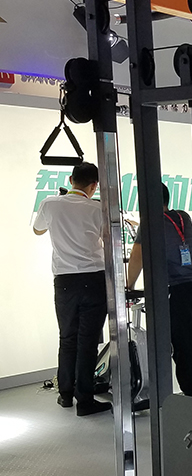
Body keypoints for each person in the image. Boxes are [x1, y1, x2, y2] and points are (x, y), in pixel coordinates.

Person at [33, 161, 111, 416]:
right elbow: (107, 239)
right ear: (94, 186)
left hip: (65, 281)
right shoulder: (98, 208)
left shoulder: (50, 204)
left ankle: (65, 394)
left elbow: (37, 230)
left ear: (70, 180)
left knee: (67, 337)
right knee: (88, 342)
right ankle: (85, 400)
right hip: (94, 279)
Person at [127, 183, 192, 398]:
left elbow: (137, 255)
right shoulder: (182, 216)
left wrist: (129, 285)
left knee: (183, 344)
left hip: (175, 289)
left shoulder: (150, 223)